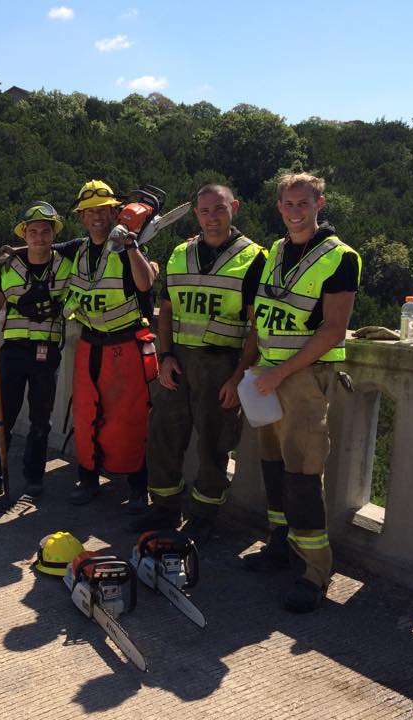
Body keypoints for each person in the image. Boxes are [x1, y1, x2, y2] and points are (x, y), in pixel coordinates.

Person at [242, 173, 361, 614]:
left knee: (304, 475)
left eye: (303, 203)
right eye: (288, 205)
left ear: (319, 203)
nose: (295, 212)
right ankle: (279, 545)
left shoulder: (340, 257)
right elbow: (261, 319)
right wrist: (254, 368)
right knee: (273, 468)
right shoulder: (273, 252)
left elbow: (333, 329)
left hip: (304, 379)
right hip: (268, 376)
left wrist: (280, 373)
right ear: (279, 208)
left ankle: (314, 572)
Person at [132, 184, 267, 540]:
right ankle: (163, 508)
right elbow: (167, 311)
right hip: (178, 361)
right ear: (196, 214)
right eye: (204, 211)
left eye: (219, 209)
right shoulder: (180, 253)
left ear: (233, 208)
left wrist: (238, 376)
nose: (212, 217)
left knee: (214, 442)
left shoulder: (254, 258)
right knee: (163, 435)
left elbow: (256, 327)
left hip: (220, 364)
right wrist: (164, 357)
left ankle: (205, 514)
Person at [61, 179, 158, 512]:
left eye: (103, 211)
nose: (96, 218)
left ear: (115, 212)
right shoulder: (77, 249)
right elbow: (44, 253)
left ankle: (136, 487)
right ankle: (88, 479)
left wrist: (131, 246)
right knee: (87, 414)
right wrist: (13, 253)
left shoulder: (129, 246)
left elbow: (145, 283)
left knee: (130, 418)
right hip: (90, 344)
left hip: (126, 343)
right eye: (89, 213)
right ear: (82, 218)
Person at [0, 202, 73, 504]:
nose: (39, 237)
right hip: (13, 351)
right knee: (0, 418)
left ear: (54, 235)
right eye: (34, 232)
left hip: (46, 351)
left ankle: (34, 479)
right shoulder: (8, 266)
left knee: (41, 421)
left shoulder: (67, 266)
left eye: (45, 232)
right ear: (25, 235)